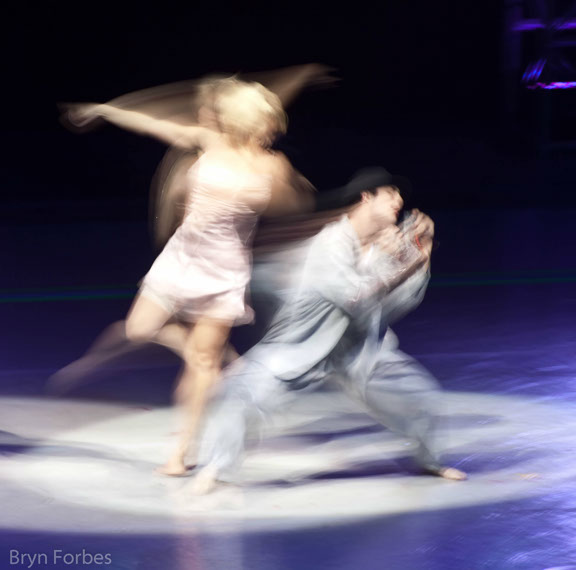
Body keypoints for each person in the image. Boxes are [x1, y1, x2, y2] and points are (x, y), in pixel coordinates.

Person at [53, 77, 308, 476]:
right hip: (183, 258)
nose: (274, 130)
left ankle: (180, 453)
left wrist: (292, 192)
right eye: (269, 122)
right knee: (140, 328)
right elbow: (155, 125)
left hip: (225, 270)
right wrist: (105, 110)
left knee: (203, 365)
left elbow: (291, 208)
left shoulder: (273, 165)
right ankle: (205, 354)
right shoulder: (211, 141)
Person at [190, 167, 467, 493]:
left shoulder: (387, 247)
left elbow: (398, 303)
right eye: (390, 193)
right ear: (366, 197)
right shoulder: (331, 242)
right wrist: (404, 263)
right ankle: (215, 469)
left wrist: (422, 254)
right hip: (303, 346)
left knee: (421, 397)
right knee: (240, 392)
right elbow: (355, 297)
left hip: (359, 349)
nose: (399, 200)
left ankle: (431, 461)